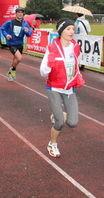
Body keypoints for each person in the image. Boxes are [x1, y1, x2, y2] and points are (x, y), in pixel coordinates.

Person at [40, 18, 85, 158]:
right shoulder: (52, 48)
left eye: (73, 29)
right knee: (59, 122)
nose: (72, 32)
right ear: (61, 31)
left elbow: (76, 65)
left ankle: (56, 113)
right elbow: (42, 72)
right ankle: (52, 144)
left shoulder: (76, 47)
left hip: (69, 89)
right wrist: (49, 64)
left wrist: (77, 76)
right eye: (68, 29)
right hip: (54, 87)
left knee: (72, 122)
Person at [0, 7, 33, 81]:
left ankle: (10, 73)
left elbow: (29, 34)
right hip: (12, 43)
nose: (20, 14)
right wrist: (6, 35)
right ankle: (13, 70)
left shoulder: (25, 24)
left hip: (20, 44)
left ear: (23, 14)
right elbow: (3, 28)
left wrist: (27, 31)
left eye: (21, 12)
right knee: (19, 58)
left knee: (15, 60)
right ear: (16, 13)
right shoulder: (10, 22)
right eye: (18, 12)